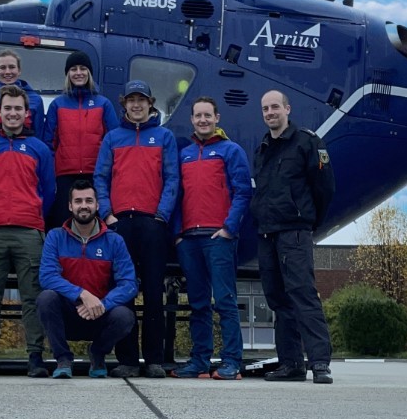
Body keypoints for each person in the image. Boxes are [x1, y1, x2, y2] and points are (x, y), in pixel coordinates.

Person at [0, 84, 55, 378]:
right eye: (8, 108)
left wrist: (32, 214)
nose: (13, 113)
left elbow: (49, 191)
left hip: (29, 231)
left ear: (27, 114)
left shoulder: (39, 149)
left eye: (18, 108)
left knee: (33, 297)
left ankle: (35, 357)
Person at [94, 79, 179, 378]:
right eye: (131, 100)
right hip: (120, 225)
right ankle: (128, 360)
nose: (136, 105)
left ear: (151, 103)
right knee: (124, 292)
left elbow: (172, 179)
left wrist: (161, 215)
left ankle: (154, 359)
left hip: (152, 224)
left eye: (142, 99)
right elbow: (100, 178)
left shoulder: (164, 136)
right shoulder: (112, 138)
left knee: (154, 293)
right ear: (124, 104)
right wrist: (107, 214)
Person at [251, 90, 336, 384]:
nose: (270, 112)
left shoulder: (307, 142)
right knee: (277, 300)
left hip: (294, 233)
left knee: (302, 295)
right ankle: (291, 364)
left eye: (275, 107)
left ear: (287, 109)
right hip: (267, 233)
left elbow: (324, 188)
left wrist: (309, 222)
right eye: (265, 108)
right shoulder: (262, 148)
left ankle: (320, 363)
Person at [173, 97, 252, 380]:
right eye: (198, 116)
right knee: (198, 303)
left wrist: (229, 228)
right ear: (192, 120)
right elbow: (177, 195)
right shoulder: (184, 153)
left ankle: (232, 361)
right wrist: (178, 235)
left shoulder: (231, 150)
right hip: (189, 240)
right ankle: (199, 360)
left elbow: (243, 191)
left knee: (225, 301)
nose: (203, 120)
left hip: (219, 238)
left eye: (208, 115)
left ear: (217, 117)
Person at [37, 180, 137, 378]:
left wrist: (101, 304)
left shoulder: (114, 240)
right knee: (45, 298)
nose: (84, 206)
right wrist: (81, 295)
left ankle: (97, 353)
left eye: (89, 201)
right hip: (67, 314)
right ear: (70, 206)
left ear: (97, 205)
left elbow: (129, 284)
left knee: (125, 316)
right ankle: (63, 359)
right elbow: (47, 277)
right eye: (78, 201)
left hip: (100, 315)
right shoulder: (55, 237)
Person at [43, 50, 118, 231]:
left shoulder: (103, 104)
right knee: (62, 227)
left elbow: (114, 143)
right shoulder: (57, 105)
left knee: (95, 228)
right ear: (68, 74)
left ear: (89, 73)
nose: (78, 72)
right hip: (64, 178)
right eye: (73, 69)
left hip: (95, 176)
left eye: (83, 68)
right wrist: (52, 177)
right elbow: (48, 144)